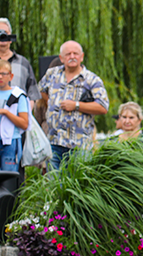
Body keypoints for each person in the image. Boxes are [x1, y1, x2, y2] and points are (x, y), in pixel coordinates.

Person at [38, 40, 109, 170]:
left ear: (81, 57)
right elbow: (40, 89)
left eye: (75, 54)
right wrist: (52, 102)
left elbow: (103, 107)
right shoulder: (52, 74)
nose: (72, 57)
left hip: (79, 144)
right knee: (54, 185)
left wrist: (77, 105)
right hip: (54, 141)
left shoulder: (92, 79)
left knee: (78, 186)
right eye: (68, 54)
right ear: (61, 58)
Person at [0, 59, 30, 173]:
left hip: (10, 141)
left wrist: (5, 112)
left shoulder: (18, 95)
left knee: (8, 177)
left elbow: (24, 123)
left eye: (4, 74)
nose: (0, 77)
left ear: (11, 76)